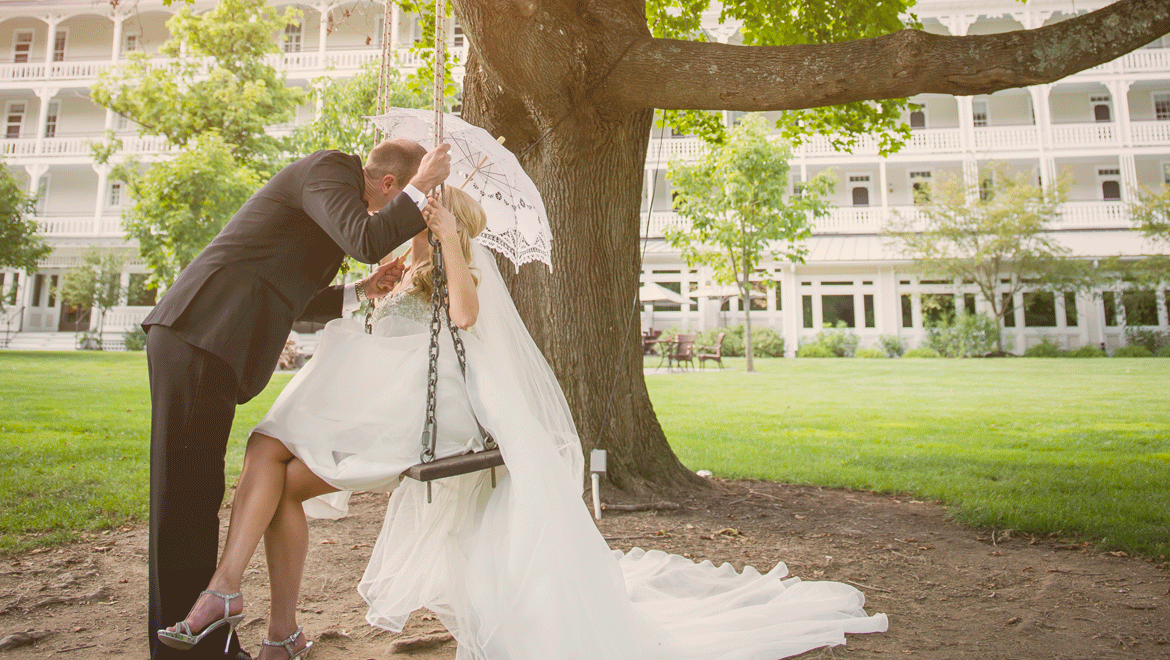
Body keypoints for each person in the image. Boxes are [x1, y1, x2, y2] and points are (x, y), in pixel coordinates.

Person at [158, 186, 888, 660]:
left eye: (427, 220)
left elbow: (467, 316)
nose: (414, 226)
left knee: (275, 463)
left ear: (447, 225)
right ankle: (274, 626)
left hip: (419, 429)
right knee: (273, 465)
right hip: (377, 415)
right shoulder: (406, 273)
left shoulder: (456, 268)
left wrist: (444, 235)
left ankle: (239, 599)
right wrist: (374, 287)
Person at [142, 137, 451, 660]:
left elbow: (286, 286)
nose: (387, 212)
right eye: (399, 197)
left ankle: (203, 644)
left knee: (196, 495)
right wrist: (424, 186)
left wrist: (362, 290)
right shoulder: (328, 170)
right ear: (390, 184)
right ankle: (185, 651)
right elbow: (365, 237)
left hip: (212, 340)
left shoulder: (332, 200)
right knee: (183, 499)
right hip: (199, 328)